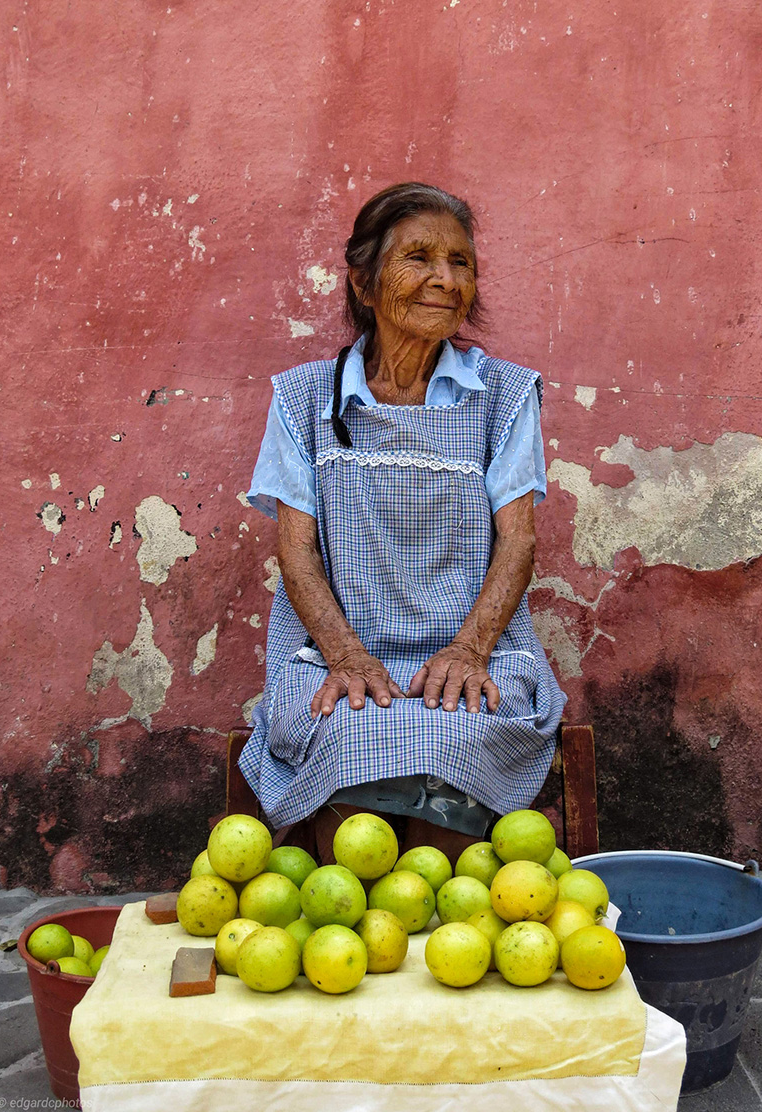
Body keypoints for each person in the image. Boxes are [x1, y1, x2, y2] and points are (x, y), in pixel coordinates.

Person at [239, 182, 566, 866]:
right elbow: (297, 552)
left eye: (461, 263)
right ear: (363, 281)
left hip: (473, 648)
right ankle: (361, 932)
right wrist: (347, 657)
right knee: (342, 725)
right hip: (336, 652)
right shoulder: (302, 398)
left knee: (461, 727)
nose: (445, 280)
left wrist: (470, 650)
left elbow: (519, 540)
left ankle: (433, 934)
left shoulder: (503, 394)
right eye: (419, 257)